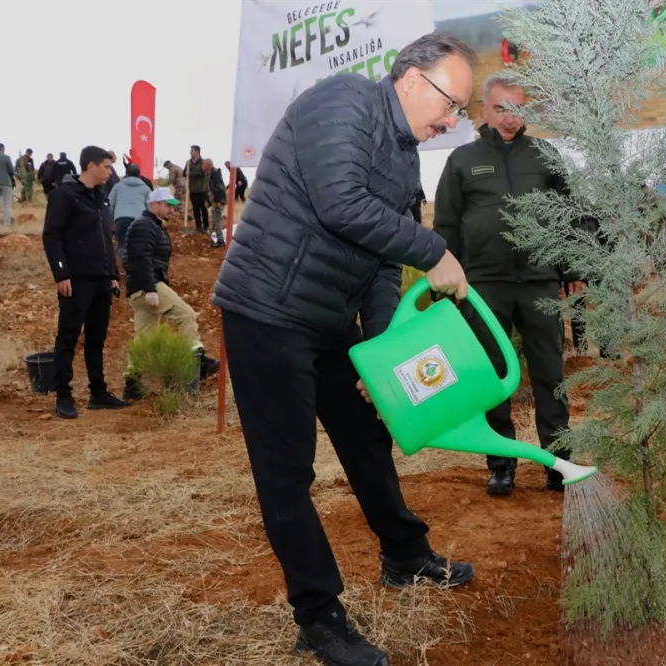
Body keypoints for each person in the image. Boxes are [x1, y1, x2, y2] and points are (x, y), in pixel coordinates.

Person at [211, 33, 478, 665]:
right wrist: (434, 249)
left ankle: (405, 556)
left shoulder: (406, 158)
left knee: (364, 432)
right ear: (411, 78)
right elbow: (341, 205)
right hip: (267, 310)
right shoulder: (345, 102)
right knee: (287, 472)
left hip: (329, 319)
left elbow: (384, 261)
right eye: (451, 103)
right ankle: (319, 616)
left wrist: (380, 345)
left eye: (461, 110)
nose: (452, 120)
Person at [434, 73, 580, 496]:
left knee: (551, 374)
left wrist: (569, 270)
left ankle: (559, 461)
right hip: (482, 286)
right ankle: (501, 464)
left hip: (539, 283)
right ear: (483, 110)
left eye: (518, 109)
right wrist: (450, 282)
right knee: (493, 375)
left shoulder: (546, 155)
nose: (510, 118)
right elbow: (446, 224)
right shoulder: (462, 160)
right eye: (501, 108)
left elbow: (567, 216)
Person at [42, 146, 129, 420]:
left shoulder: (101, 198)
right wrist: (61, 274)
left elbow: (106, 239)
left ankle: (98, 393)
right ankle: (63, 396)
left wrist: (113, 274)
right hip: (76, 279)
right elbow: (51, 236)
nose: (109, 172)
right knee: (68, 335)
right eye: (106, 166)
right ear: (90, 165)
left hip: (102, 279)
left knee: (97, 338)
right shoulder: (64, 195)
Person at [122, 187, 220, 400]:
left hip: (141, 287)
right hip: (147, 286)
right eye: (168, 206)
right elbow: (142, 258)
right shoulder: (144, 225)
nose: (172, 211)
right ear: (154, 204)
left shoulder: (153, 226)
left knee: (144, 338)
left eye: (174, 207)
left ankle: (132, 383)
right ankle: (199, 361)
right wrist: (150, 288)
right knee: (186, 315)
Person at [109, 164, 152, 264]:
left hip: (121, 219)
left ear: (126, 174)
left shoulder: (117, 186)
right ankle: (137, 266)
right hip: (139, 220)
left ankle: (126, 266)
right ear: (139, 175)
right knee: (139, 244)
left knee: (122, 244)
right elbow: (150, 207)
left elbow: (110, 205)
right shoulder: (146, 188)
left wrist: (110, 221)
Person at [204, 159, 227, 247]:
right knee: (214, 221)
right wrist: (208, 201)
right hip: (214, 201)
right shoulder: (209, 175)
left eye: (203, 164)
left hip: (218, 201)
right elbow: (209, 190)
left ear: (208, 165)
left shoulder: (216, 173)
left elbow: (220, 188)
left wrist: (218, 201)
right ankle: (218, 240)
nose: (202, 166)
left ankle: (221, 241)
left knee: (217, 221)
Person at [185, 145, 208, 233]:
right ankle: (198, 227)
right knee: (195, 210)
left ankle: (206, 227)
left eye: (192, 150)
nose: (190, 152)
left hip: (202, 190)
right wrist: (186, 169)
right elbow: (185, 173)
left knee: (203, 209)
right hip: (192, 190)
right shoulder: (189, 162)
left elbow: (201, 173)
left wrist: (189, 173)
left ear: (197, 152)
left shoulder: (203, 162)